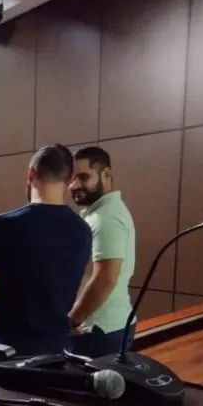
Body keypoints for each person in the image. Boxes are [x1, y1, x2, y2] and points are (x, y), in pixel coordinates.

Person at [0, 144, 91, 355]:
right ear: (70, 180)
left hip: (7, 349)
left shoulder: (5, 224)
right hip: (56, 349)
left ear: (30, 173)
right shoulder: (83, 230)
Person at [68, 146, 136, 357]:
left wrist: (71, 321)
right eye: (71, 179)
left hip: (98, 331)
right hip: (101, 328)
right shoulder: (100, 213)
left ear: (106, 174)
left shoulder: (105, 218)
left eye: (83, 177)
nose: (75, 185)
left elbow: (105, 278)